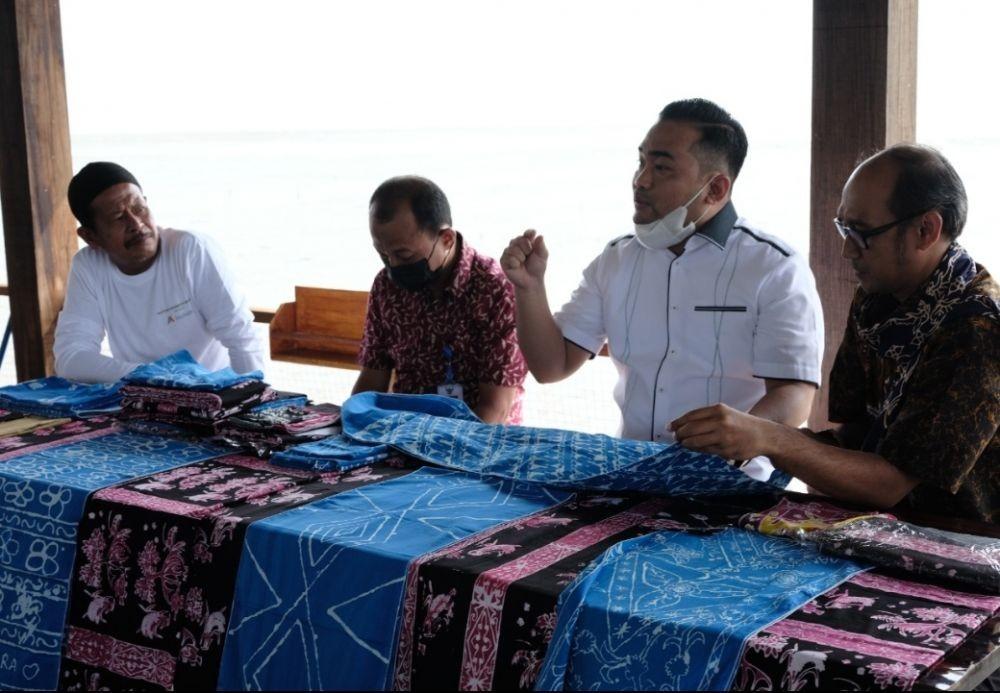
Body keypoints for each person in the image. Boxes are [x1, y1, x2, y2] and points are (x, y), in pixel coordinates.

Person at [672, 144, 1000, 522]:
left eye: (861, 233)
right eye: (843, 227)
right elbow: (855, 440)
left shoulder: (976, 327)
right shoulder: (878, 302)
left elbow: (891, 483)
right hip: (883, 528)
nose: (846, 251)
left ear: (926, 230)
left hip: (966, 548)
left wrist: (771, 439)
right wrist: (748, 435)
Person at [501, 98, 823, 442]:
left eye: (662, 168)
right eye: (641, 162)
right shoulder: (616, 259)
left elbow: (795, 394)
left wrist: (734, 443)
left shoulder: (774, 268)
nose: (640, 180)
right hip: (634, 470)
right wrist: (530, 287)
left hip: (735, 483)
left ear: (715, 189)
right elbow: (551, 367)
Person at [54, 162, 265, 382]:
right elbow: (70, 358)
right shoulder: (89, 266)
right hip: (143, 400)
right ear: (90, 237)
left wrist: (249, 404)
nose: (136, 223)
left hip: (214, 399)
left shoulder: (190, 250)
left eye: (139, 208)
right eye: (118, 216)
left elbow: (243, 340)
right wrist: (155, 379)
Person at [353, 175, 527, 424]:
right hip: (404, 437)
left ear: (446, 239)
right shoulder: (386, 287)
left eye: (403, 254)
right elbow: (371, 380)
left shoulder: (496, 291)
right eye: (382, 253)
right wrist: (352, 430)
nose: (393, 265)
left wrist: (445, 455)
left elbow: (495, 409)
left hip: (482, 443)